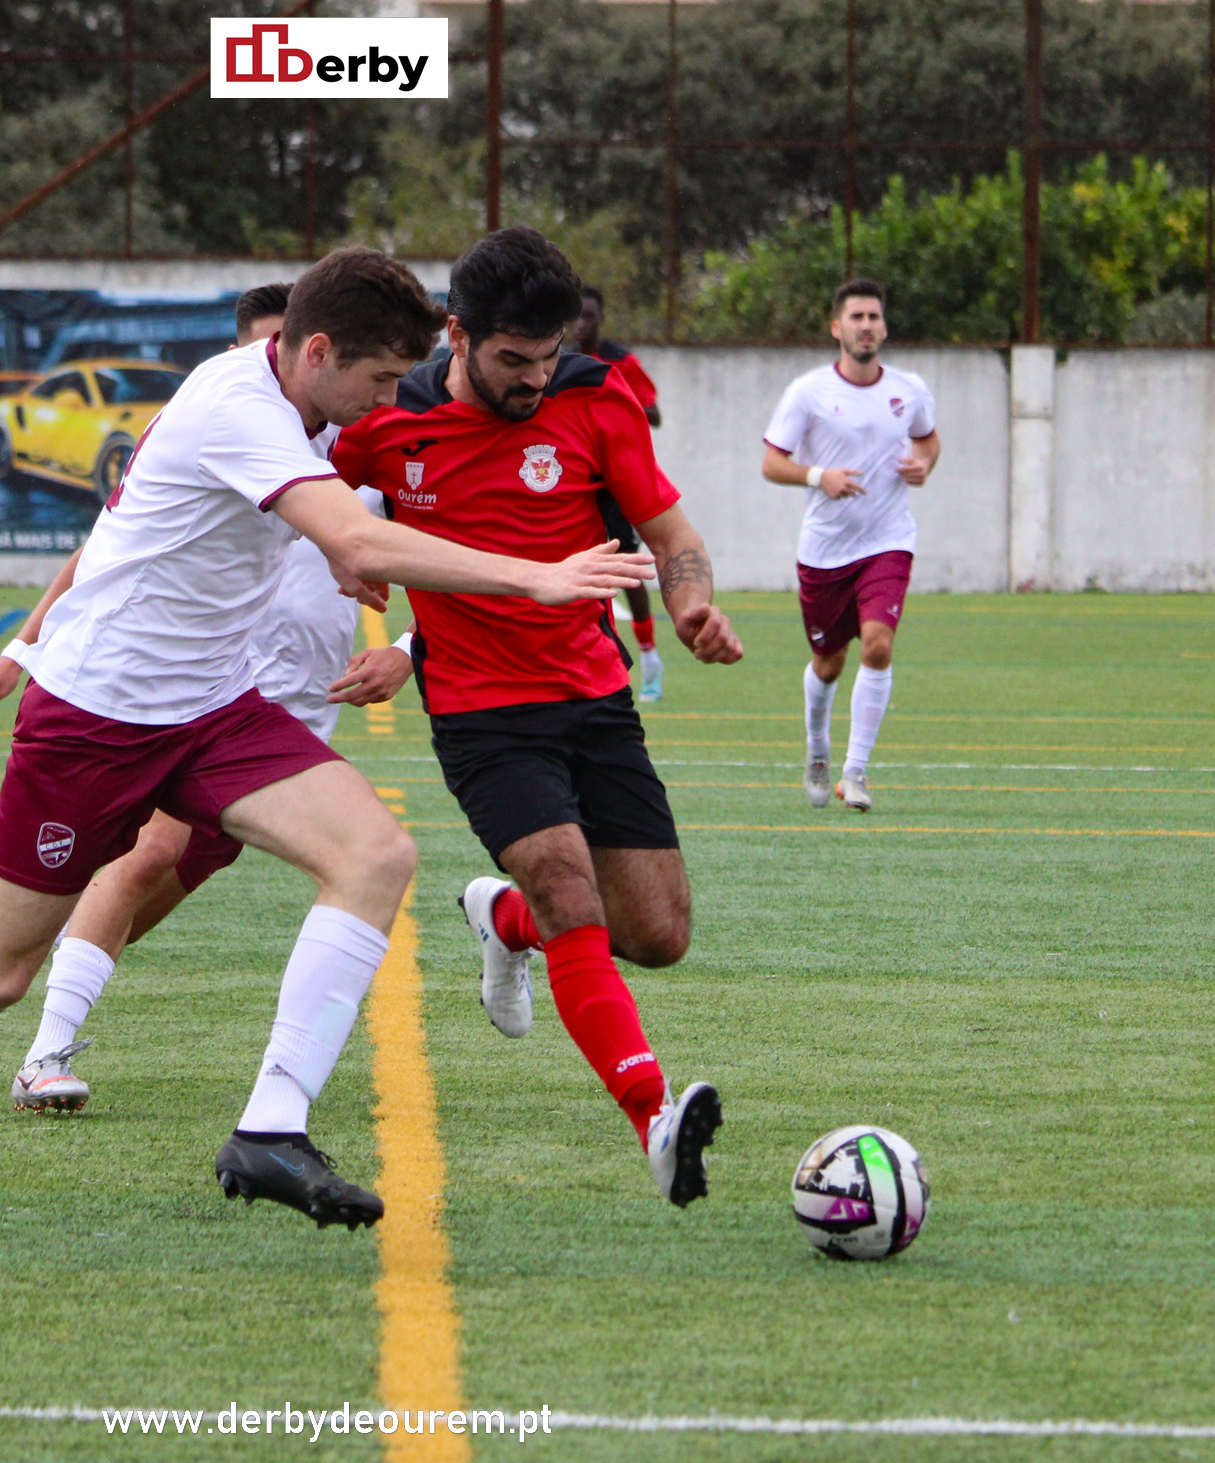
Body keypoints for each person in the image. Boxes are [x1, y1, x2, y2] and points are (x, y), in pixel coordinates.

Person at [0, 247, 653, 1234]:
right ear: (319, 350)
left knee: (376, 852)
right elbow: (359, 537)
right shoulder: (236, 407)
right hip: (93, 718)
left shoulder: (300, 403)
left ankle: (270, 1127)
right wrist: (534, 575)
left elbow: (326, 530)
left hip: (212, 708)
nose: (386, 403)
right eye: (378, 381)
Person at [331, 228, 744, 1210]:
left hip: (594, 698)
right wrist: (347, 570)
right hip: (482, 712)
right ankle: (651, 1116)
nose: (533, 379)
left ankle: (501, 920)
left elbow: (669, 531)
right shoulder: (386, 422)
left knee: (655, 931)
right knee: (569, 885)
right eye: (512, 360)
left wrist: (688, 601)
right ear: (457, 335)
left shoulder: (595, 396)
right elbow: (309, 502)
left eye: (546, 357)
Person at [7, 281, 416, 1114]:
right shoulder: (235, 411)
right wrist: (24, 646)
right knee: (147, 855)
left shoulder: (360, 437)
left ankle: (57, 998)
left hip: (293, 705)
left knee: (179, 871)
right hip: (204, 689)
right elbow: (117, 540)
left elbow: (429, 543)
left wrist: (411, 650)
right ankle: (48, 1044)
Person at [760, 279, 940, 812]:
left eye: (874, 317)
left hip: (888, 540)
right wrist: (819, 476)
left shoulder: (910, 390)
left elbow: (929, 438)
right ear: (837, 328)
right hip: (825, 551)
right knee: (828, 662)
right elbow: (771, 462)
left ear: (884, 328)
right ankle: (818, 751)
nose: (866, 326)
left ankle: (856, 771)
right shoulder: (808, 392)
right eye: (856, 317)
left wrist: (925, 463)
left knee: (878, 645)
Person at [570, 285, 666, 700]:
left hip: (612, 479)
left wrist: (614, 403)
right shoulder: (557, 362)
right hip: (571, 476)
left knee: (625, 567)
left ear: (600, 319)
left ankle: (649, 658)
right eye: (576, 316)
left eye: (589, 316)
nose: (581, 324)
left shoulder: (620, 361)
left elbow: (654, 412)